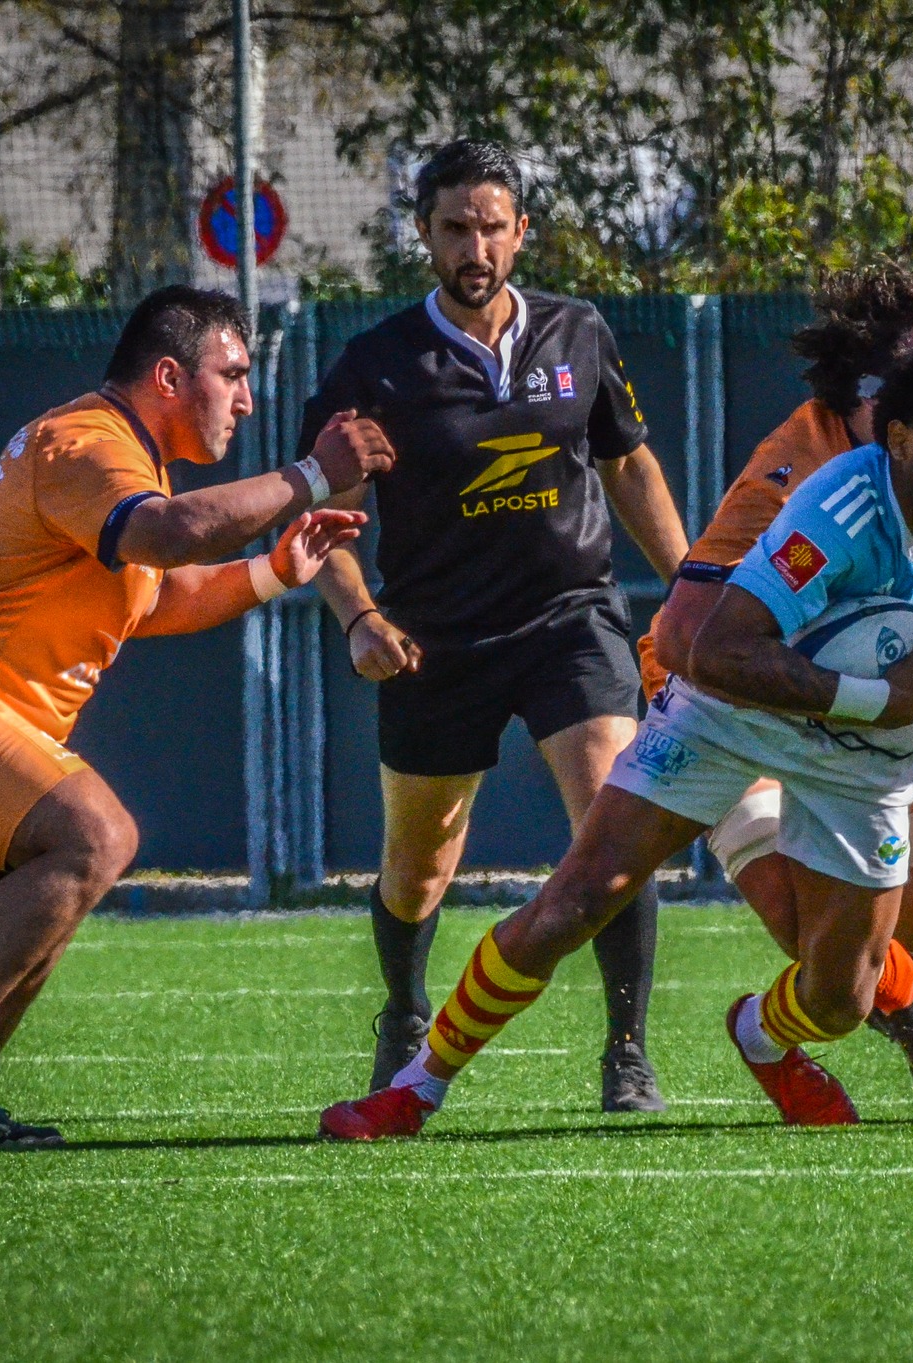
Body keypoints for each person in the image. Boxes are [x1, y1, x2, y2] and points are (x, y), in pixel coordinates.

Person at [315, 337, 913, 1140]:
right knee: (574, 899)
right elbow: (721, 650)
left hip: (865, 747)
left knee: (841, 1000)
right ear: (902, 438)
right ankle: (412, 1089)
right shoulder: (834, 509)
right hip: (735, 708)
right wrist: (870, 694)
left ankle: (762, 1034)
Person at [0, 286, 391, 1149]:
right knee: (97, 835)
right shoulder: (88, 443)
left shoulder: (127, 466)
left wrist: (275, 569)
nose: (246, 399)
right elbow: (172, 534)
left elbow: (158, 592)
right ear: (170, 375)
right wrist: (312, 475)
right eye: (234, 374)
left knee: (50, 902)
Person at [639, 263, 913, 1121]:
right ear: (876, 403)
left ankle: (890, 990)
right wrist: (842, 700)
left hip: (881, 678)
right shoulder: (795, 463)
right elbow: (687, 637)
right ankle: (886, 1010)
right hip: (742, 696)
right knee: (822, 950)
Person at [298, 139, 689, 1113]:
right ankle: (403, 1008)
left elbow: (627, 465)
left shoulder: (578, 332)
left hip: (572, 621)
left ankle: (626, 1050)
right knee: (417, 864)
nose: (474, 244)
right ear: (422, 236)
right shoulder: (374, 366)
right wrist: (359, 617)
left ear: (520, 232)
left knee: (614, 821)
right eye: (453, 227)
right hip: (433, 640)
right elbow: (323, 523)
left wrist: (690, 589)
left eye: (490, 225)